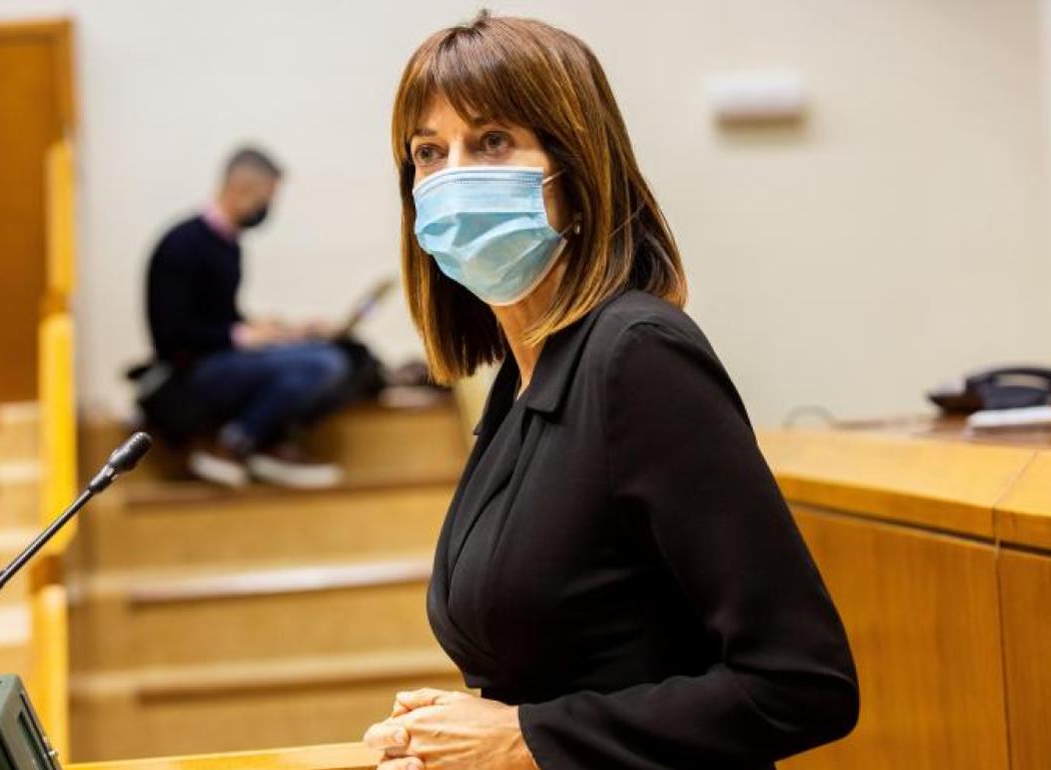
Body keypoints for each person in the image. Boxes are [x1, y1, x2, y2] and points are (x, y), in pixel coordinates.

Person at [362, 12, 859, 770]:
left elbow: (801, 683)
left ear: (576, 165)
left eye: (491, 141)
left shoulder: (638, 355)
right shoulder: (519, 379)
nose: (454, 176)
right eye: (429, 152)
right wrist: (465, 724)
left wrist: (524, 737)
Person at [145, 146, 348, 489]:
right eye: (265, 198)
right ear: (240, 188)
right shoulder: (182, 243)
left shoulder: (228, 245)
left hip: (220, 358)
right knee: (323, 363)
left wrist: (282, 330)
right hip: (191, 371)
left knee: (330, 353)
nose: (266, 208)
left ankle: (266, 442)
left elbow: (221, 315)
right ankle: (235, 442)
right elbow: (172, 334)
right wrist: (242, 336)